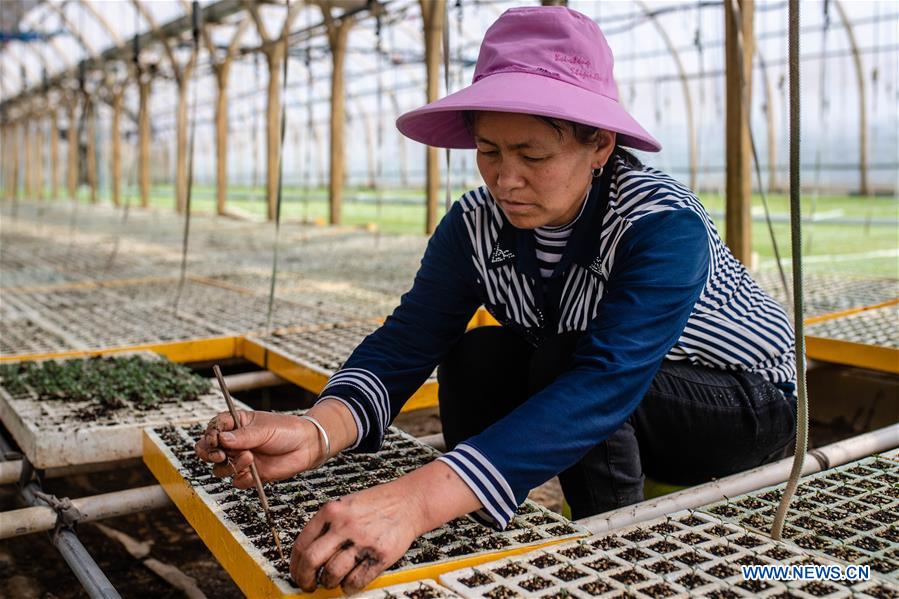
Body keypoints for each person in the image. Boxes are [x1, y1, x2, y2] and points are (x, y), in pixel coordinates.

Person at [195, 6, 797, 595]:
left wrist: (413, 500)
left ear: (599, 145)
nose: (506, 179)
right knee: (477, 353)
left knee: (567, 361)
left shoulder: (659, 223)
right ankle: (480, 530)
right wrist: (316, 431)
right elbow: (408, 340)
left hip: (745, 407)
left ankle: (615, 558)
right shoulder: (475, 225)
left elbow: (607, 380)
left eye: (532, 155)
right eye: (489, 152)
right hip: (610, 389)